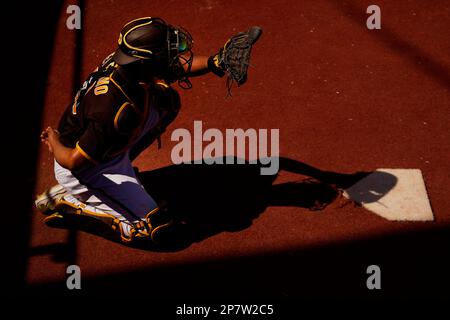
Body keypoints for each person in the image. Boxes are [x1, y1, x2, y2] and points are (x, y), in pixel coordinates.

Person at [36, 17, 239, 244]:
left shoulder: (125, 65)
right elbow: (72, 161)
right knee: (155, 230)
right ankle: (74, 204)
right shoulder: (114, 110)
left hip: (101, 144)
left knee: (167, 101)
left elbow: (174, 66)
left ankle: (121, 168)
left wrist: (215, 62)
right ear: (145, 62)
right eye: (165, 53)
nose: (172, 56)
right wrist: (54, 142)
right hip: (82, 168)